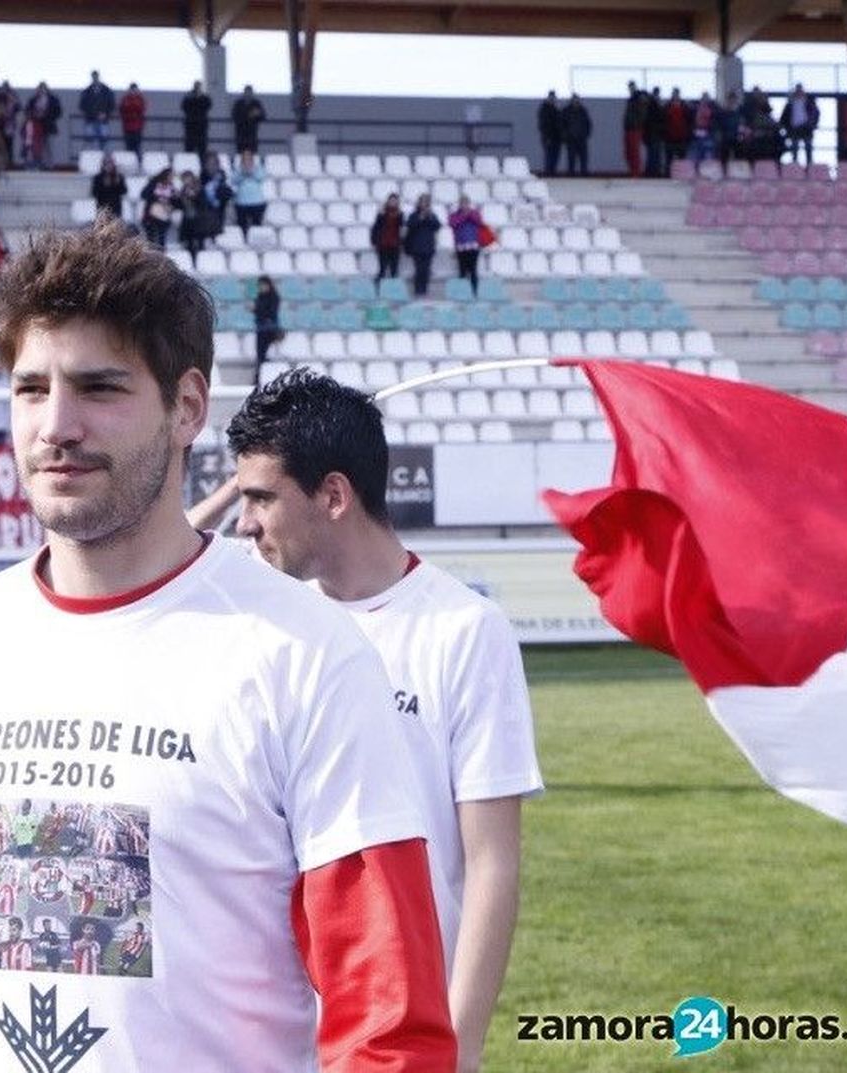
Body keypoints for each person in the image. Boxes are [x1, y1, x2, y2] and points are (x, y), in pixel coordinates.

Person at [0, 218, 457, 1072]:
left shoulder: (305, 653)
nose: (57, 425)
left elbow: (388, 1019)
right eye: (30, 388)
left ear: (187, 407)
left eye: (100, 387)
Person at [199, 368, 544, 1073]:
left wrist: (459, 1041)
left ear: (333, 494)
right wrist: (244, 476)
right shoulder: (255, 612)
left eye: (261, 497)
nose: (245, 521)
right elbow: (144, 555)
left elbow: (491, 861)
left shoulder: (463, 629)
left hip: (394, 1034)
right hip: (262, 1033)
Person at [404, 194, 442, 298]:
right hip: (417, 247)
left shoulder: (432, 215)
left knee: (426, 270)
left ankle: (424, 291)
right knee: (419, 270)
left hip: (429, 247)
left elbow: (437, 226)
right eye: (422, 202)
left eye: (426, 202)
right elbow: (410, 226)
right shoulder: (414, 215)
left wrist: (429, 217)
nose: (424, 205)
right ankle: (417, 291)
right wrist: (420, 218)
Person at [447, 195, 485, 296]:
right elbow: (452, 224)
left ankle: (474, 292)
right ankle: (462, 292)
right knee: (462, 270)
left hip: (473, 246)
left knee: (473, 270)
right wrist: (464, 216)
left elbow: (479, 222)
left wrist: (469, 215)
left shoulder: (475, 213)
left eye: (466, 203)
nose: (464, 205)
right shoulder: (454, 215)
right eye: (462, 203)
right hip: (461, 247)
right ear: (459, 204)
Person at [230, 149, 267, 237]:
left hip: (257, 202)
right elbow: (234, 180)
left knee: (257, 226)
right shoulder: (238, 170)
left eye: (249, 158)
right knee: (242, 226)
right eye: (244, 159)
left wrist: (252, 171)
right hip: (241, 202)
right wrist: (242, 173)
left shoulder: (258, 168)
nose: (247, 161)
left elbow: (261, 178)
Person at [138, 165, 177, 249]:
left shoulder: (171, 187)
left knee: (162, 240)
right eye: (170, 176)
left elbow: (175, 203)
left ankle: (161, 258)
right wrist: (158, 198)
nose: (172, 178)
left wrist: (171, 203)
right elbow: (143, 194)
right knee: (150, 240)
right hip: (151, 216)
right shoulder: (153, 183)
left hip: (164, 217)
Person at [370, 192, 404, 286]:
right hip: (383, 244)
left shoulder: (400, 214)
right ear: (388, 201)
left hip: (395, 244)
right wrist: (381, 215)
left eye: (395, 201)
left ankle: (394, 290)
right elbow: (376, 226)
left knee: (394, 269)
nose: (393, 202)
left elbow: (401, 227)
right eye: (391, 200)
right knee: (382, 269)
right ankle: (377, 288)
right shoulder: (382, 213)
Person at [78, 70, 115, 152]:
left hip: (103, 121)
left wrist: (105, 114)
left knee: (104, 141)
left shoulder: (106, 90)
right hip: (90, 120)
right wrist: (92, 114)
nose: (95, 78)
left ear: (98, 77)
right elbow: (82, 105)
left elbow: (111, 104)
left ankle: (104, 160)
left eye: (96, 76)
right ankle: (92, 159)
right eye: (93, 77)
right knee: (90, 141)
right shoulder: (86, 91)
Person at [784, 83, 820, 165]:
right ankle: (794, 163)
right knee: (794, 147)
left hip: (806, 128)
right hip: (794, 128)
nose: (799, 92)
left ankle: (810, 164)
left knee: (808, 146)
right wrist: (787, 128)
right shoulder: (790, 104)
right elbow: (784, 117)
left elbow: (816, 114)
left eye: (800, 90)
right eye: (797, 90)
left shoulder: (809, 103)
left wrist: (812, 124)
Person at [252, 274, 281, 377]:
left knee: (264, 355)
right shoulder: (260, 297)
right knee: (260, 355)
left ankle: (264, 375)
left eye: (263, 285)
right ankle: (259, 376)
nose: (261, 287)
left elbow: (271, 313)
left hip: (269, 330)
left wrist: (257, 309)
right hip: (260, 330)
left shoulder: (274, 297)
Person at [180, 80, 211, 158]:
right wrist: (194, 98)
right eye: (196, 86)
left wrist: (199, 97)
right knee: (189, 150)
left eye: (199, 86)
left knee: (202, 151)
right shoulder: (188, 98)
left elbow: (208, 105)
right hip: (190, 128)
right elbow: (184, 107)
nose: (197, 88)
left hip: (201, 128)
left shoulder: (205, 98)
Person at [231, 85, 265, 155]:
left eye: (249, 92)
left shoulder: (256, 104)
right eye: (246, 92)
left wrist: (257, 114)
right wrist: (247, 115)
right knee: (240, 153)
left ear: (252, 93)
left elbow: (263, 116)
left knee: (253, 153)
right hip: (240, 134)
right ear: (244, 93)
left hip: (252, 134)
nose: (248, 94)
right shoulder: (238, 104)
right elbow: (234, 116)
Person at [90, 154, 127, 220]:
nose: (109, 166)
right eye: (106, 163)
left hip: (116, 208)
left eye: (110, 163)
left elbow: (124, 191)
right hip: (103, 207)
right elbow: (94, 193)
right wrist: (103, 185)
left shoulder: (119, 176)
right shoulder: (98, 177)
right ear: (103, 165)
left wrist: (118, 183)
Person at [621, 80, 646, 178]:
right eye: (629, 87)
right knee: (628, 152)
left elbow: (642, 114)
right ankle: (632, 171)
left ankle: (636, 172)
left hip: (635, 129)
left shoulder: (639, 98)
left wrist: (637, 123)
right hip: (628, 128)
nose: (630, 89)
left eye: (632, 87)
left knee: (634, 151)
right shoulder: (631, 99)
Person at [536, 91, 562, 177]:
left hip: (557, 138)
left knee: (555, 157)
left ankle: (553, 174)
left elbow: (559, 123)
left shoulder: (556, 109)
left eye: (553, 98)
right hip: (548, 137)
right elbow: (543, 124)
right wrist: (546, 136)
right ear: (548, 98)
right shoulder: (544, 109)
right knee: (549, 157)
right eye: (551, 98)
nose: (552, 99)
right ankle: (548, 174)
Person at [119, 82, 146, 154]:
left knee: (137, 146)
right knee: (128, 146)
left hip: (137, 127)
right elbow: (123, 109)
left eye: (134, 90)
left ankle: (137, 161)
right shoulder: (125, 99)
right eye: (132, 90)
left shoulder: (140, 99)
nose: (133, 91)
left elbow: (141, 109)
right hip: (127, 127)